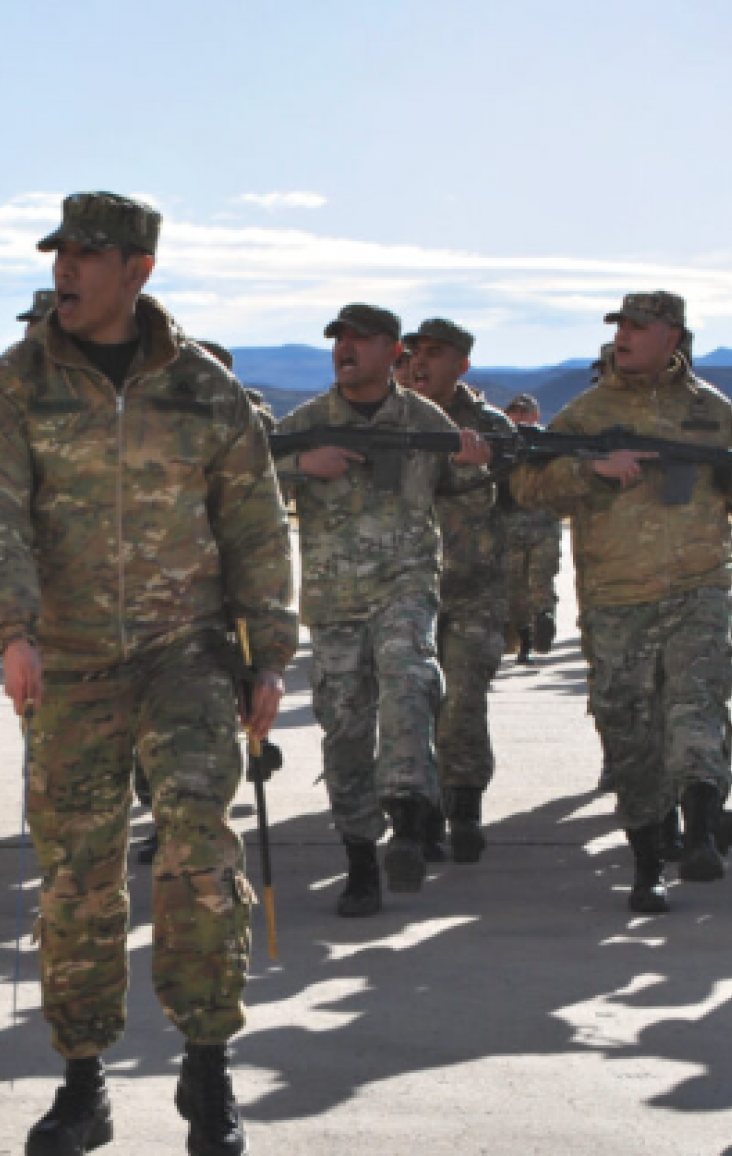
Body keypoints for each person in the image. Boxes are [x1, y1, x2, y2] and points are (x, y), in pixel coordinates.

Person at [0, 192, 294, 1156]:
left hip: (185, 650)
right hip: (65, 659)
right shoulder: (14, 386)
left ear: (138, 270)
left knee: (199, 844)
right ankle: (82, 1084)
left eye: (88, 254)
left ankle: (208, 1067)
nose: (65, 269)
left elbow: (255, 521)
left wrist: (269, 651)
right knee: (77, 872)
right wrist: (12, 630)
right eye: (59, 252)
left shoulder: (204, 389)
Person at [513, 292, 732, 914]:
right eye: (620, 326)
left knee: (698, 709)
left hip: (699, 587)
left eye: (639, 327)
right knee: (630, 735)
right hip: (617, 598)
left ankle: (702, 831)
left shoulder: (710, 408)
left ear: (673, 337)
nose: (624, 337)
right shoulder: (587, 414)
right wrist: (592, 471)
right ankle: (647, 862)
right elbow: (528, 486)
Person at [273, 302, 488, 915]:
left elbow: (467, 497)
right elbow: (246, 476)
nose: (346, 349)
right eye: (339, 339)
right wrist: (300, 465)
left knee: (410, 681)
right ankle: (361, 860)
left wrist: (475, 466)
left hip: (405, 586)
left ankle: (410, 817)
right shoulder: (308, 422)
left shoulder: (425, 420)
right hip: (335, 600)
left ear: (394, 351)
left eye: (361, 340)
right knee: (344, 732)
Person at [403, 318, 517, 862]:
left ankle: (465, 808)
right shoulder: (391, 418)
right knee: (410, 706)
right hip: (404, 587)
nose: (420, 362)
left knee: (463, 702)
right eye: (415, 352)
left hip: (474, 589)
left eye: (435, 353)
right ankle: (420, 817)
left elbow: (524, 504)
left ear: (462, 365)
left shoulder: (492, 427)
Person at [500, 393, 562, 663]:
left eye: (523, 412)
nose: (518, 417)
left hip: (543, 523)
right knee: (514, 586)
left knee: (541, 578)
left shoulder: (549, 444)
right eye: (514, 412)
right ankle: (524, 639)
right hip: (511, 526)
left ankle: (544, 621)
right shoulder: (502, 446)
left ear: (536, 416)